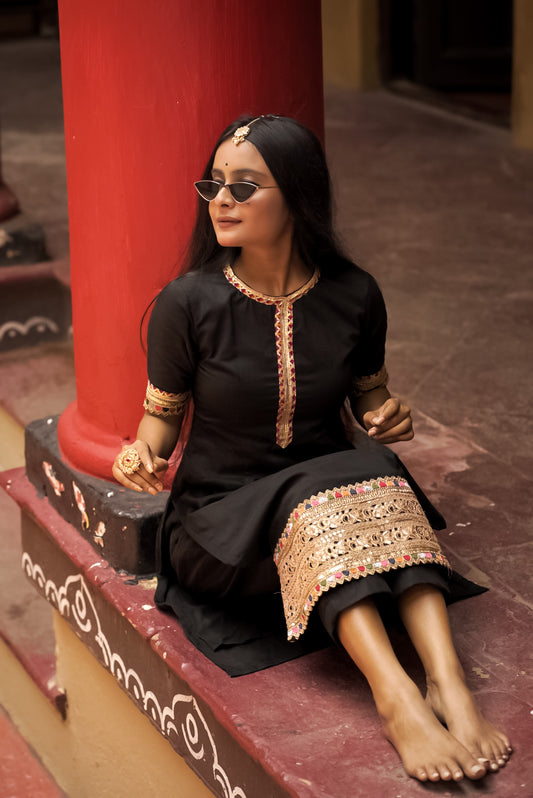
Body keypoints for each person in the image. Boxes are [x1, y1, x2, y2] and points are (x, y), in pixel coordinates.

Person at [112, 114, 511, 783]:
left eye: (245, 187)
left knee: (376, 468)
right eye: (214, 185)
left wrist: (386, 417)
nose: (221, 200)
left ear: (298, 195)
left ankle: (451, 687)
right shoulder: (188, 303)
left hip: (333, 496)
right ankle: (397, 697)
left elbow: (371, 399)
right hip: (221, 525)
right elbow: (157, 426)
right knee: (326, 496)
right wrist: (138, 456)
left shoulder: (354, 294)